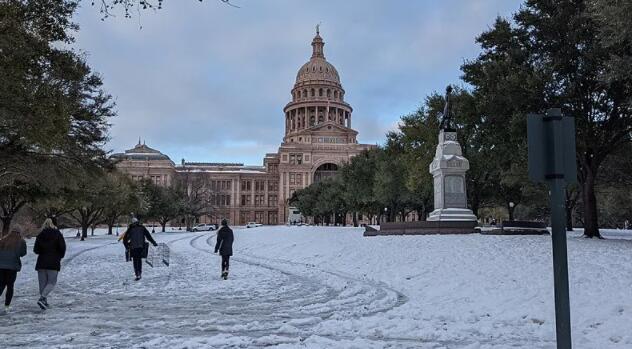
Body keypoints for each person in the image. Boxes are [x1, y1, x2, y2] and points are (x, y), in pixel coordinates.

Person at [33, 218, 66, 310]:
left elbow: (36, 250)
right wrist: (59, 256)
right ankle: (42, 298)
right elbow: (62, 248)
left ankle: (44, 301)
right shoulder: (58, 234)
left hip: (41, 262)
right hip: (53, 262)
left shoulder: (40, 235)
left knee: (42, 284)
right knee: (52, 282)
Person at [0, 229, 27, 313]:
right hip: (12, 267)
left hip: (1, 266)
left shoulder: (3, 240)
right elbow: (23, 253)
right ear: (19, 233)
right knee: (10, 286)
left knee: (1, 284)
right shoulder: (21, 242)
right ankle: (7, 306)